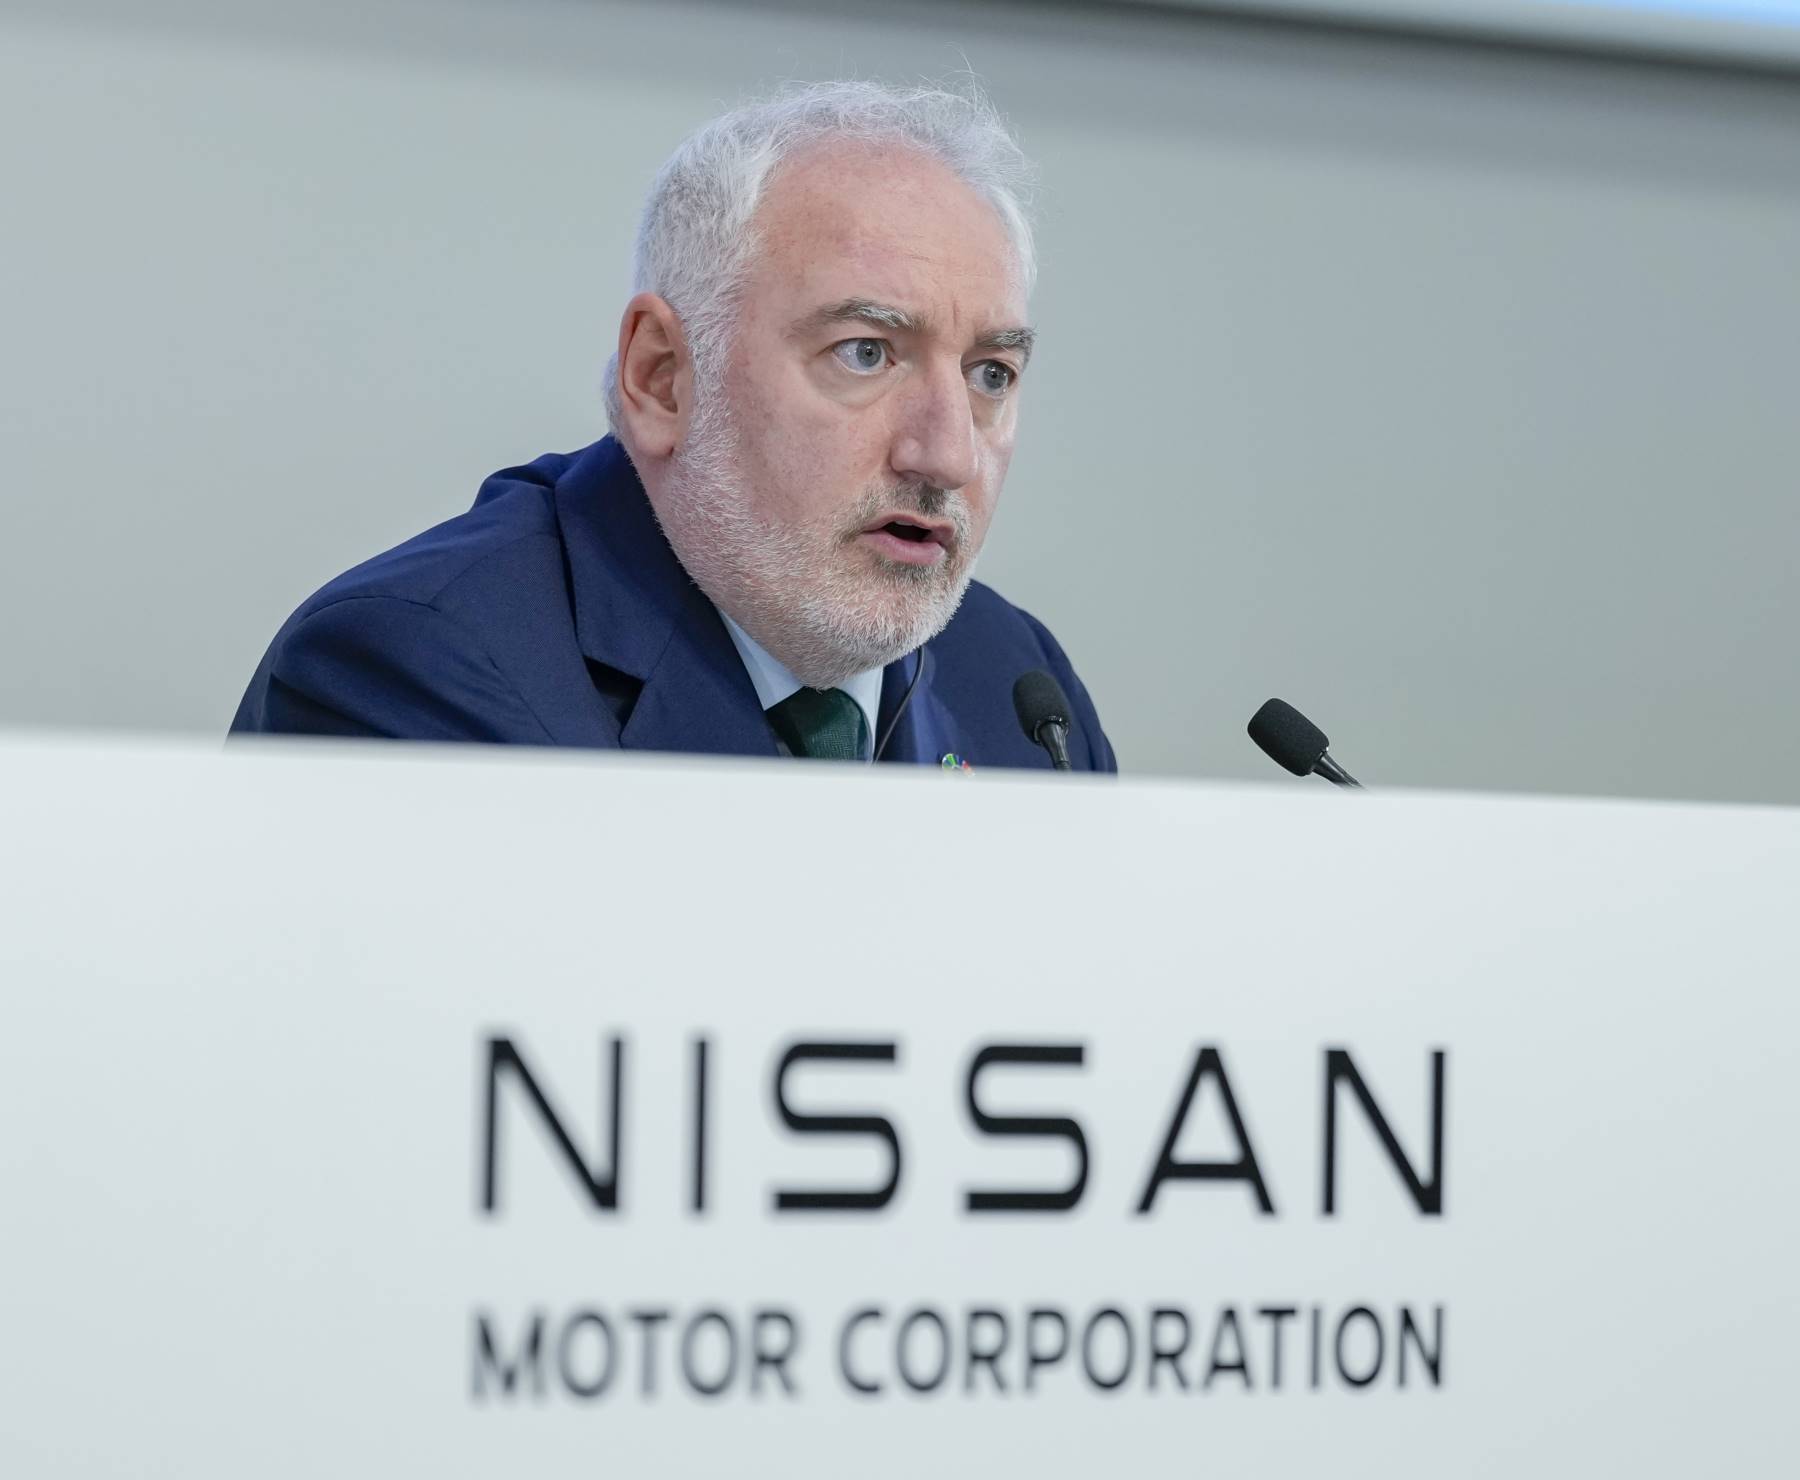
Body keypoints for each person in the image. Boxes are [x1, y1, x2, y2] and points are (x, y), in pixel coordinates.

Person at [232, 80, 1115, 771]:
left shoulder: (1016, 685)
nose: (947, 454)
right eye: (865, 353)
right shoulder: (417, 666)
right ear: (661, 377)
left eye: (991, 374)